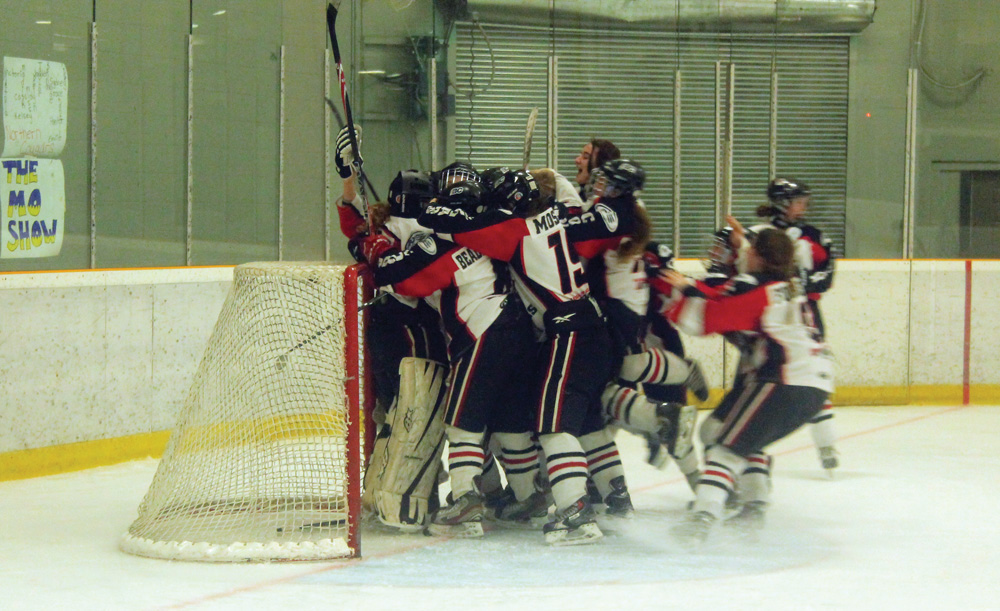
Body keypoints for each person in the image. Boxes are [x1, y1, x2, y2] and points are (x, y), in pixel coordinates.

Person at [419, 168, 614, 546]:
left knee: (555, 426)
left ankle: (576, 513)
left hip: (569, 329)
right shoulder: (553, 217)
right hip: (588, 326)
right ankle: (560, 500)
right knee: (555, 424)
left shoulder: (514, 232)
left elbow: (444, 225)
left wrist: (442, 204)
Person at [358, 171, 546, 538]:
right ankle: (529, 497)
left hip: (484, 329)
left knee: (461, 421)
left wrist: (383, 255)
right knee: (509, 423)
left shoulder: (445, 239)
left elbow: (406, 282)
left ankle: (465, 499)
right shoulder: (494, 232)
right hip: (520, 328)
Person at [655, 228, 834, 545]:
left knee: (726, 445)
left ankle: (703, 517)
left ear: (760, 257)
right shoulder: (787, 283)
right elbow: (728, 291)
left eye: (749, 249)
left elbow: (706, 319)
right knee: (718, 432)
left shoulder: (759, 290)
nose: (742, 253)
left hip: (784, 379)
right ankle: (754, 505)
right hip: (812, 383)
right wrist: (695, 286)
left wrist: (672, 301)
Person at [334, 127, 448, 531]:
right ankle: (411, 495)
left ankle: (381, 488)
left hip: (382, 324)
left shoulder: (381, 231)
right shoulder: (422, 231)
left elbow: (356, 231)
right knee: (416, 408)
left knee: (392, 412)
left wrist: (348, 177)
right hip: (410, 326)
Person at [747, 178, 839, 474]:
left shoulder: (815, 236)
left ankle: (826, 446)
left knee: (810, 373)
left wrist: (803, 285)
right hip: (768, 314)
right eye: (799, 200)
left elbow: (827, 275)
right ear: (783, 203)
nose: (804, 205)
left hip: (804, 315)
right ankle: (749, 446)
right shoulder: (760, 235)